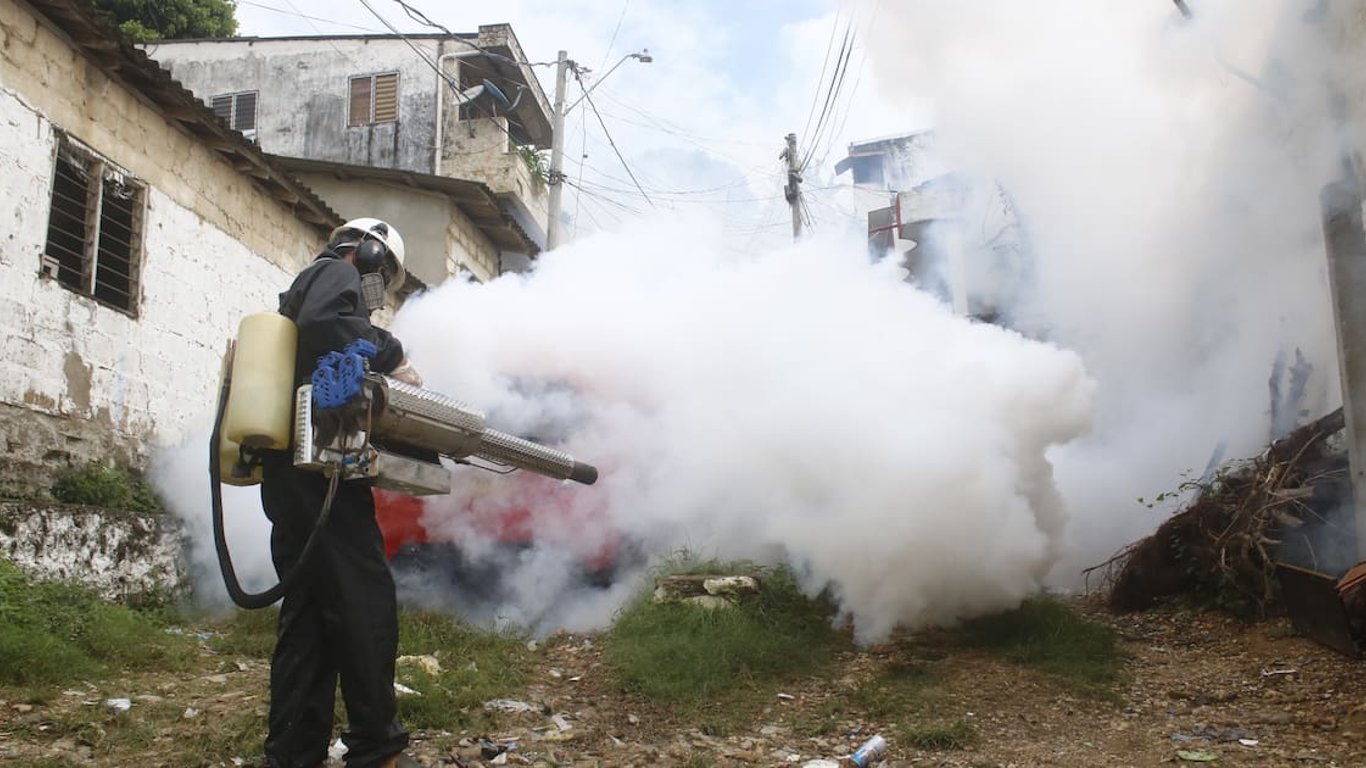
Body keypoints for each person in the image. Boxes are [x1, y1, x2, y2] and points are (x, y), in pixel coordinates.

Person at [261, 218, 421, 768]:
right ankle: (379, 746)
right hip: (320, 473)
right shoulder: (336, 275)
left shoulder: (307, 281)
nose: (375, 299)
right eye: (385, 277)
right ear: (370, 251)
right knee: (364, 597)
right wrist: (392, 351)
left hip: (289, 475)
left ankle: (293, 754)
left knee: (307, 617)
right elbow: (328, 323)